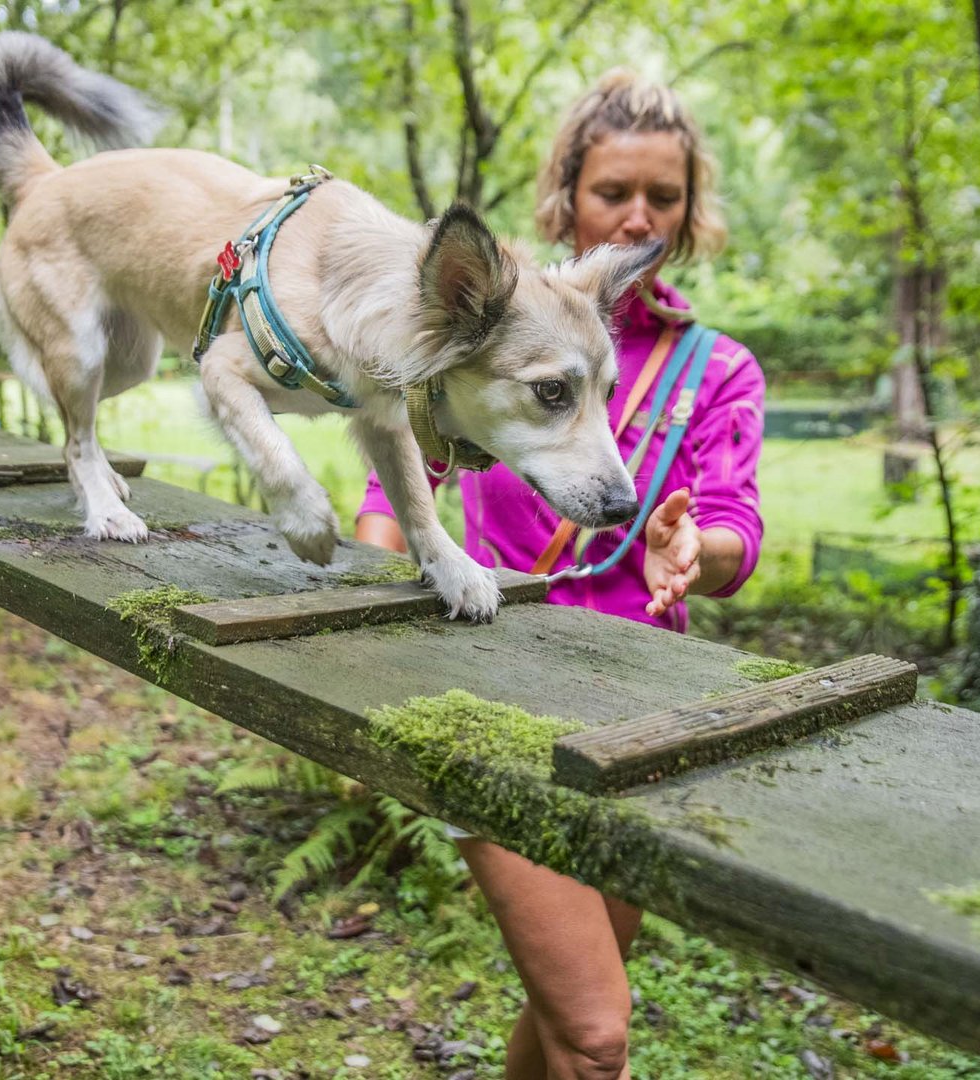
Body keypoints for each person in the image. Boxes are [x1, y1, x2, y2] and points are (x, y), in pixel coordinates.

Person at [355, 71, 765, 1079]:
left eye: (662, 199)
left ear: (687, 213)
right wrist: (365, 599)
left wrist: (695, 551)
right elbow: (401, 483)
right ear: (569, 198)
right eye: (614, 191)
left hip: (644, 712)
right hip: (491, 704)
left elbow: (735, 531)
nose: (638, 215)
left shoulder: (718, 371)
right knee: (597, 1035)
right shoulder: (484, 337)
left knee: (561, 1018)